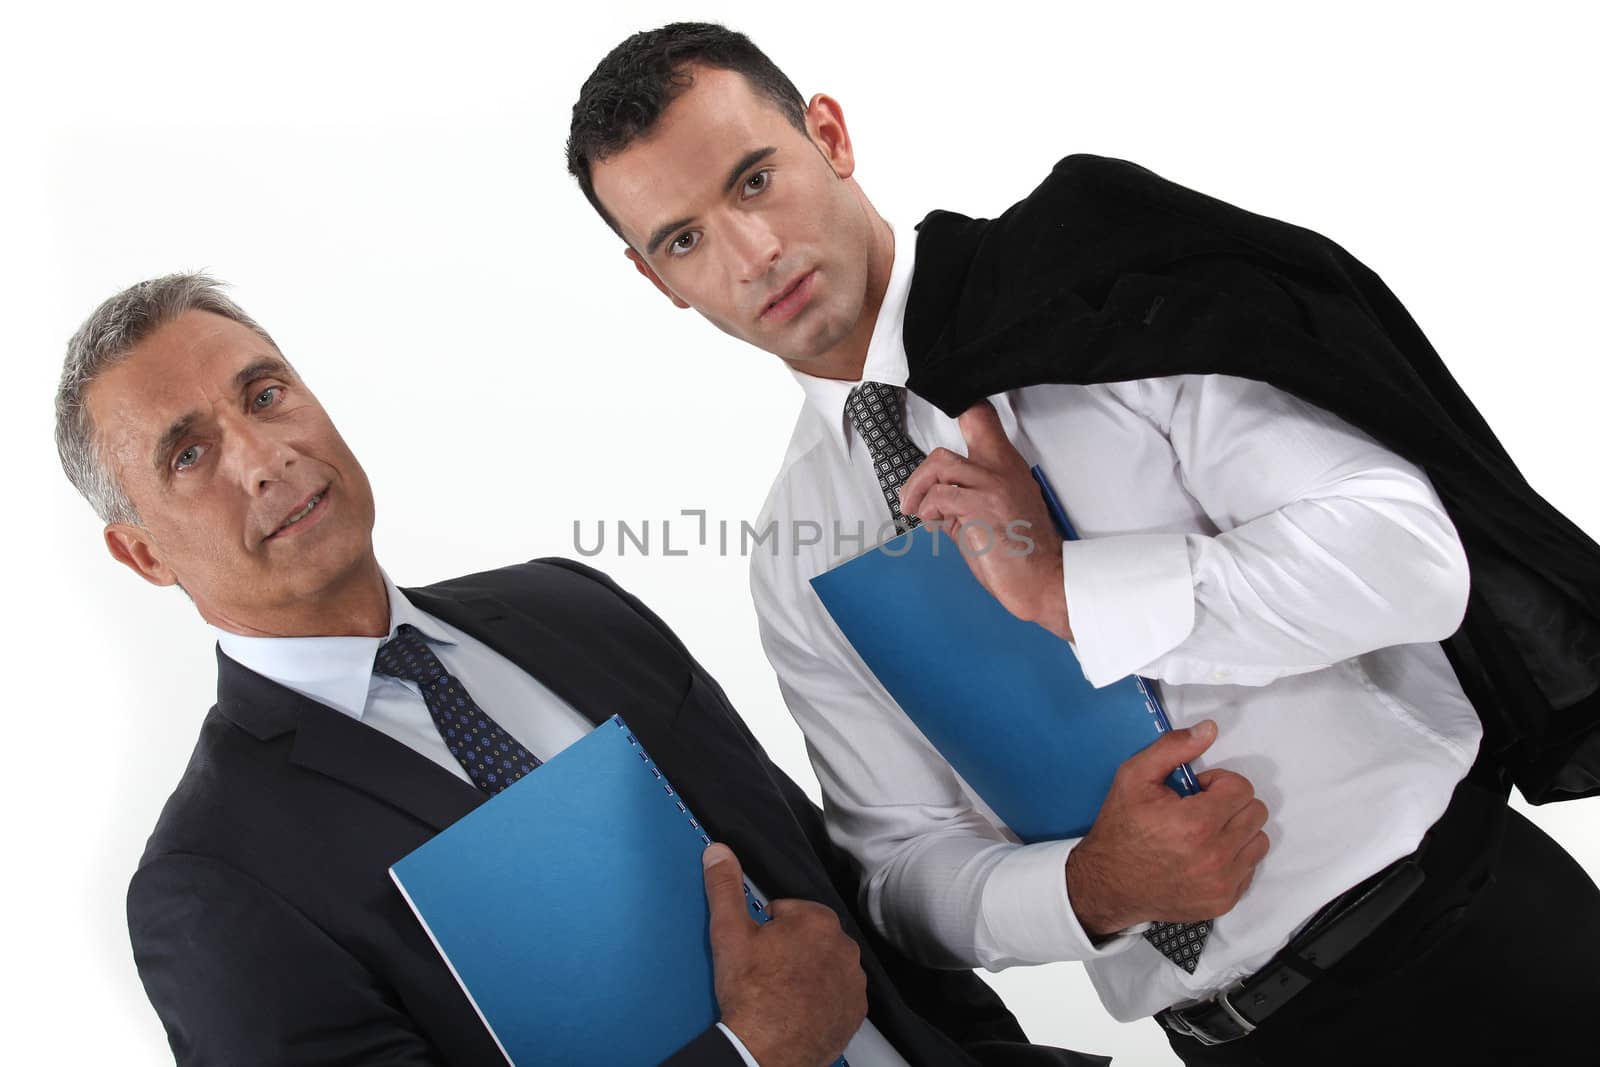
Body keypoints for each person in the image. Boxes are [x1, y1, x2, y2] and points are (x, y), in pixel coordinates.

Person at [565, 22, 1600, 1065]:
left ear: (828, 135)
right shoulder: (795, 553)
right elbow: (899, 866)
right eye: (683, 239)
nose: (752, 255)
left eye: (754, 181)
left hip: (1477, 951)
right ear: (658, 282)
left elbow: (1410, 560)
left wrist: (1069, 590)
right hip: (1229, 1041)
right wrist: (1088, 886)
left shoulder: (1094, 296)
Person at [55, 273, 1105, 1067]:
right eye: (188, 454)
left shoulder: (568, 605)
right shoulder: (212, 878)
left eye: (267, 392)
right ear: (141, 550)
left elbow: (832, 888)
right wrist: (746, 1052)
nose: (261, 454)